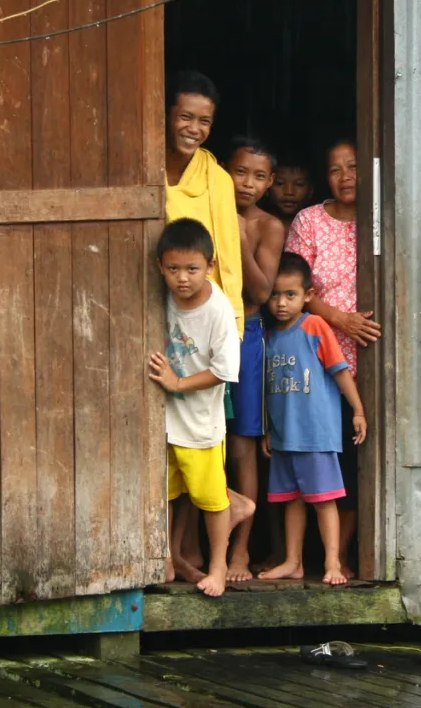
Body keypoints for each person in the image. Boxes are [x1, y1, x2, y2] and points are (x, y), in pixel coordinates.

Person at [285, 140, 380, 578]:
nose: (345, 176)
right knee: (319, 459)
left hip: (376, 360)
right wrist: (344, 320)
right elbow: (297, 290)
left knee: (364, 463)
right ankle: (307, 558)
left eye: (353, 167)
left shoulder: (382, 217)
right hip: (319, 360)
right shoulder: (309, 221)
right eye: (335, 168)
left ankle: (339, 559)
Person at [164, 70, 245, 578]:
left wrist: (231, 323)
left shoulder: (216, 179)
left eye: (205, 121)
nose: (194, 128)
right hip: (157, 313)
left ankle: (198, 551)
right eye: (185, 116)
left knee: (197, 439)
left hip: (203, 325)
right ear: (168, 115)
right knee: (166, 451)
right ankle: (176, 554)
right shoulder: (142, 161)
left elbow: (227, 258)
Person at [149, 218, 254, 596]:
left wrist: (177, 383)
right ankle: (164, 558)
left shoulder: (218, 310)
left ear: (209, 266)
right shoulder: (158, 294)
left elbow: (226, 369)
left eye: (192, 269)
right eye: (173, 269)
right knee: (166, 494)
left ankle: (218, 568)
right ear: (160, 265)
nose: (182, 279)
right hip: (163, 417)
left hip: (201, 424)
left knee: (210, 500)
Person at [258, 253, 367, 585]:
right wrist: (267, 430)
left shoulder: (315, 326)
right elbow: (266, 388)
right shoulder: (269, 335)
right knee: (291, 501)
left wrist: (358, 410)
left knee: (323, 500)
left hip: (316, 434)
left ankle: (333, 561)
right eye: (274, 294)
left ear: (308, 295)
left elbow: (340, 371)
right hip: (283, 435)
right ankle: (294, 561)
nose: (280, 303)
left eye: (290, 295)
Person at [221, 137, 286, 582]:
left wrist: (237, 237)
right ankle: (190, 548)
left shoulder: (268, 226)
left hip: (248, 335)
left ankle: (239, 552)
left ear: (271, 182)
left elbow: (262, 292)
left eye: (259, 176)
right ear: (226, 170)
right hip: (204, 334)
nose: (248, 184)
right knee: (202, 442)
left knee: (243, 446)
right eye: (241, 172)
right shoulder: (208, 204)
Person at [262, 153, 314, 232]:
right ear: (266, 187)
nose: (289, 192)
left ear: (311, 190)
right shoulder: (256, 225)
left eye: (299, 184)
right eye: (280, 183)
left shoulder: (317, 229)